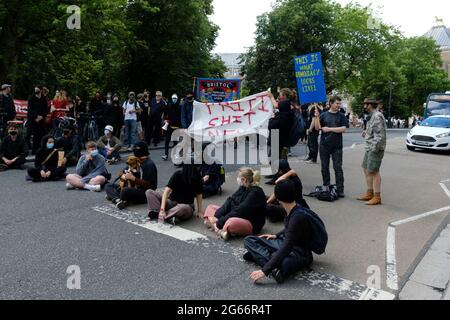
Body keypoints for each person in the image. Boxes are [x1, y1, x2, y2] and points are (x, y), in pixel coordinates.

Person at [244, 180, 314, 284]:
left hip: (299, 253)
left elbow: (286, 247)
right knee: (250, 240)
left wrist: (265, 270)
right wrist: (275, 235)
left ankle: (268, 262)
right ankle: (275, 266)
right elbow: (291, 229)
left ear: (279, 198)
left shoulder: (297, 217)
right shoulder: (295, 208)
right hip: (289, 246)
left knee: (249, 241)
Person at [203, 168, 266, 241]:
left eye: (239, 177)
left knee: (231, 223)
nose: (237, 179)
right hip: (235, 214)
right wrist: (218, 216)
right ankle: (221, 231)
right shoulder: (243, 187)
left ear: (244, 180)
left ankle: (215, 226)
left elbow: (240, 211)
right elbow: (231, 200)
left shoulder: (255, 193)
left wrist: (220, 221)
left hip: (250, 222)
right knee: (210, 207)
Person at [105, 141, 158, 210]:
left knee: (125, 191)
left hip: (144, 192)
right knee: (109, 185)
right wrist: (123, 174)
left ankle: (115, 197)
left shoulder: (149, 164)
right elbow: (123, 171)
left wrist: (133, 178)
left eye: (135, 150)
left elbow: (149, 185)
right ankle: (118, 199)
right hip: (132, 187)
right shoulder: (136, 160)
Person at [357, 98, 387, 206]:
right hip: (369, 147)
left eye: (365, 105)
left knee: (374, 171)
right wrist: (366, 132)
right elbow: (374, 131)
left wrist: (374, 148)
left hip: (375, 148)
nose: (364, 107)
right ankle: (369, 193)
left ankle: (377, 197)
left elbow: (380, 135)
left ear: (369, 105)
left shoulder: (377, 116)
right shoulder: (372, 116)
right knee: (366, 169)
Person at [319, 96, 348, 198]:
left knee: (338, 168)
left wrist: (329, 129)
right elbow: (318, 127)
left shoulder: (342, 116)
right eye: (337, 103)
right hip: (324, 145)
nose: (338, 105)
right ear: (331, 103)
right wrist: (315, 117)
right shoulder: (323, 115)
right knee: (324, 167)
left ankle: (340, 190)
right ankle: (326, 187)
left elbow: (344, 129)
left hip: (337, 146)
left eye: (339, 104)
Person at [268, 88, 295, 161]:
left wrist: (271, 96)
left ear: (284, 96)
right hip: (283, 134)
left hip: (279, 134)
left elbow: (276, 105)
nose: (279, 97)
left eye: (280, 95)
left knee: (276, 157)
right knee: (280, 156)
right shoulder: (289, 104)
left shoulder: (285, 102)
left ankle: (280, 171)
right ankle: (282, 170)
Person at [27, 86, 48, 154]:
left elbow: (45, 109)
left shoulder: (44, 98)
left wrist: (41, 116)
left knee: (40, 135)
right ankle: (33, 149)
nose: (36, 90)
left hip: (41, 119)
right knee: (32, 134)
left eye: (37, 89)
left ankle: (39, 149)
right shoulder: (31, 98)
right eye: (35, 89)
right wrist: (36, 116)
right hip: (33, 119)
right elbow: (30, 109)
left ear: (41, 90)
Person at [162, 93, 181, 161]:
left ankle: (175, 155)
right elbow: (165, 113)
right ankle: (166, 155)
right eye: (173, 98)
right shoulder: (168, 105)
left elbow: (180, 117)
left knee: (175, 142)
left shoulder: (179, 106)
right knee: (167, 141)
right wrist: (165, 120)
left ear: (177, 99)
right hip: (169, 126)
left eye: (175, 98)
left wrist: (180, 126)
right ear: (171, 98)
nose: (174, 99)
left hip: (176, 127)